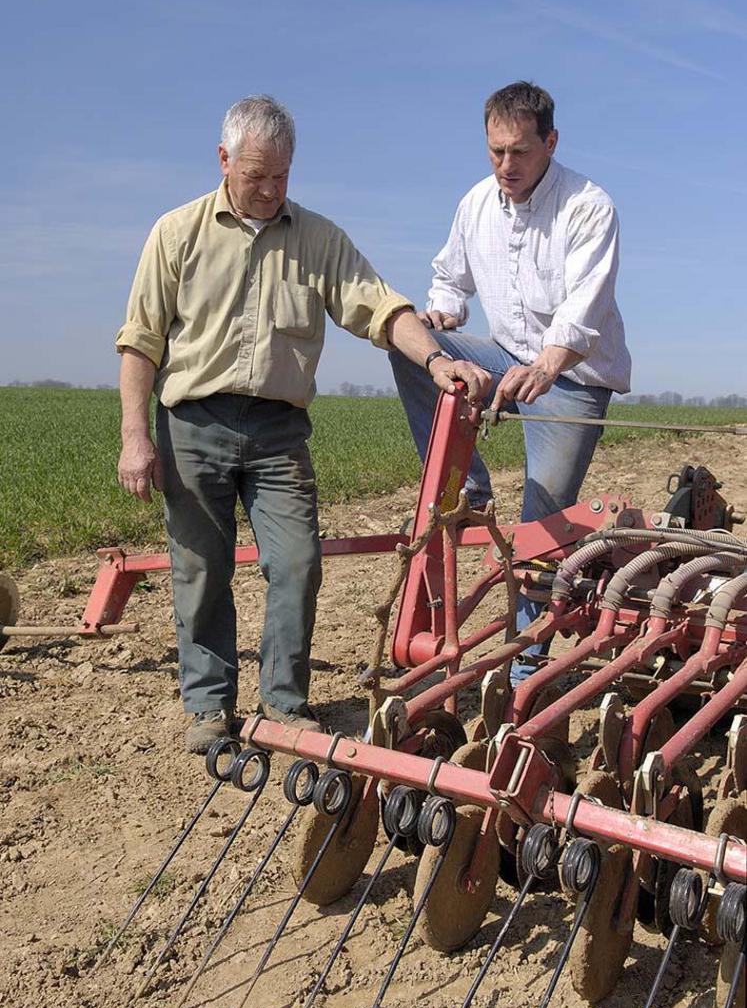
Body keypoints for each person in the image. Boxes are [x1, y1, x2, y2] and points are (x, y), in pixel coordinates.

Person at [116, 94, 491, 753]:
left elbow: (379, 307)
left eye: (280, 176)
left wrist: (434, 357)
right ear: (223, 159)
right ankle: (208, 706)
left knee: (297, 563)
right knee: (201, 569)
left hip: (277, 431)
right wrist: (134, 436)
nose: (267, 189)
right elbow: (140, 341)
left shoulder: (318, 239)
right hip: (192, 423)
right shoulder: (175, 233)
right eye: (255, 174)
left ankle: (284, 703)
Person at [390, 81, 631, 682]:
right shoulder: (476, 203)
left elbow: (584, 311)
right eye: (495, 151)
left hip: (571, 378)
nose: (506, 165)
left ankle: (523, 674)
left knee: (539, 530)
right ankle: (465, 486)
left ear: (551, 142)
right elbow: (449, 276)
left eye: (520, 152)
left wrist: (547, 366)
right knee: (410, 340)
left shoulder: (587, 206)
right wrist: (442, 312)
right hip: (503, 358)